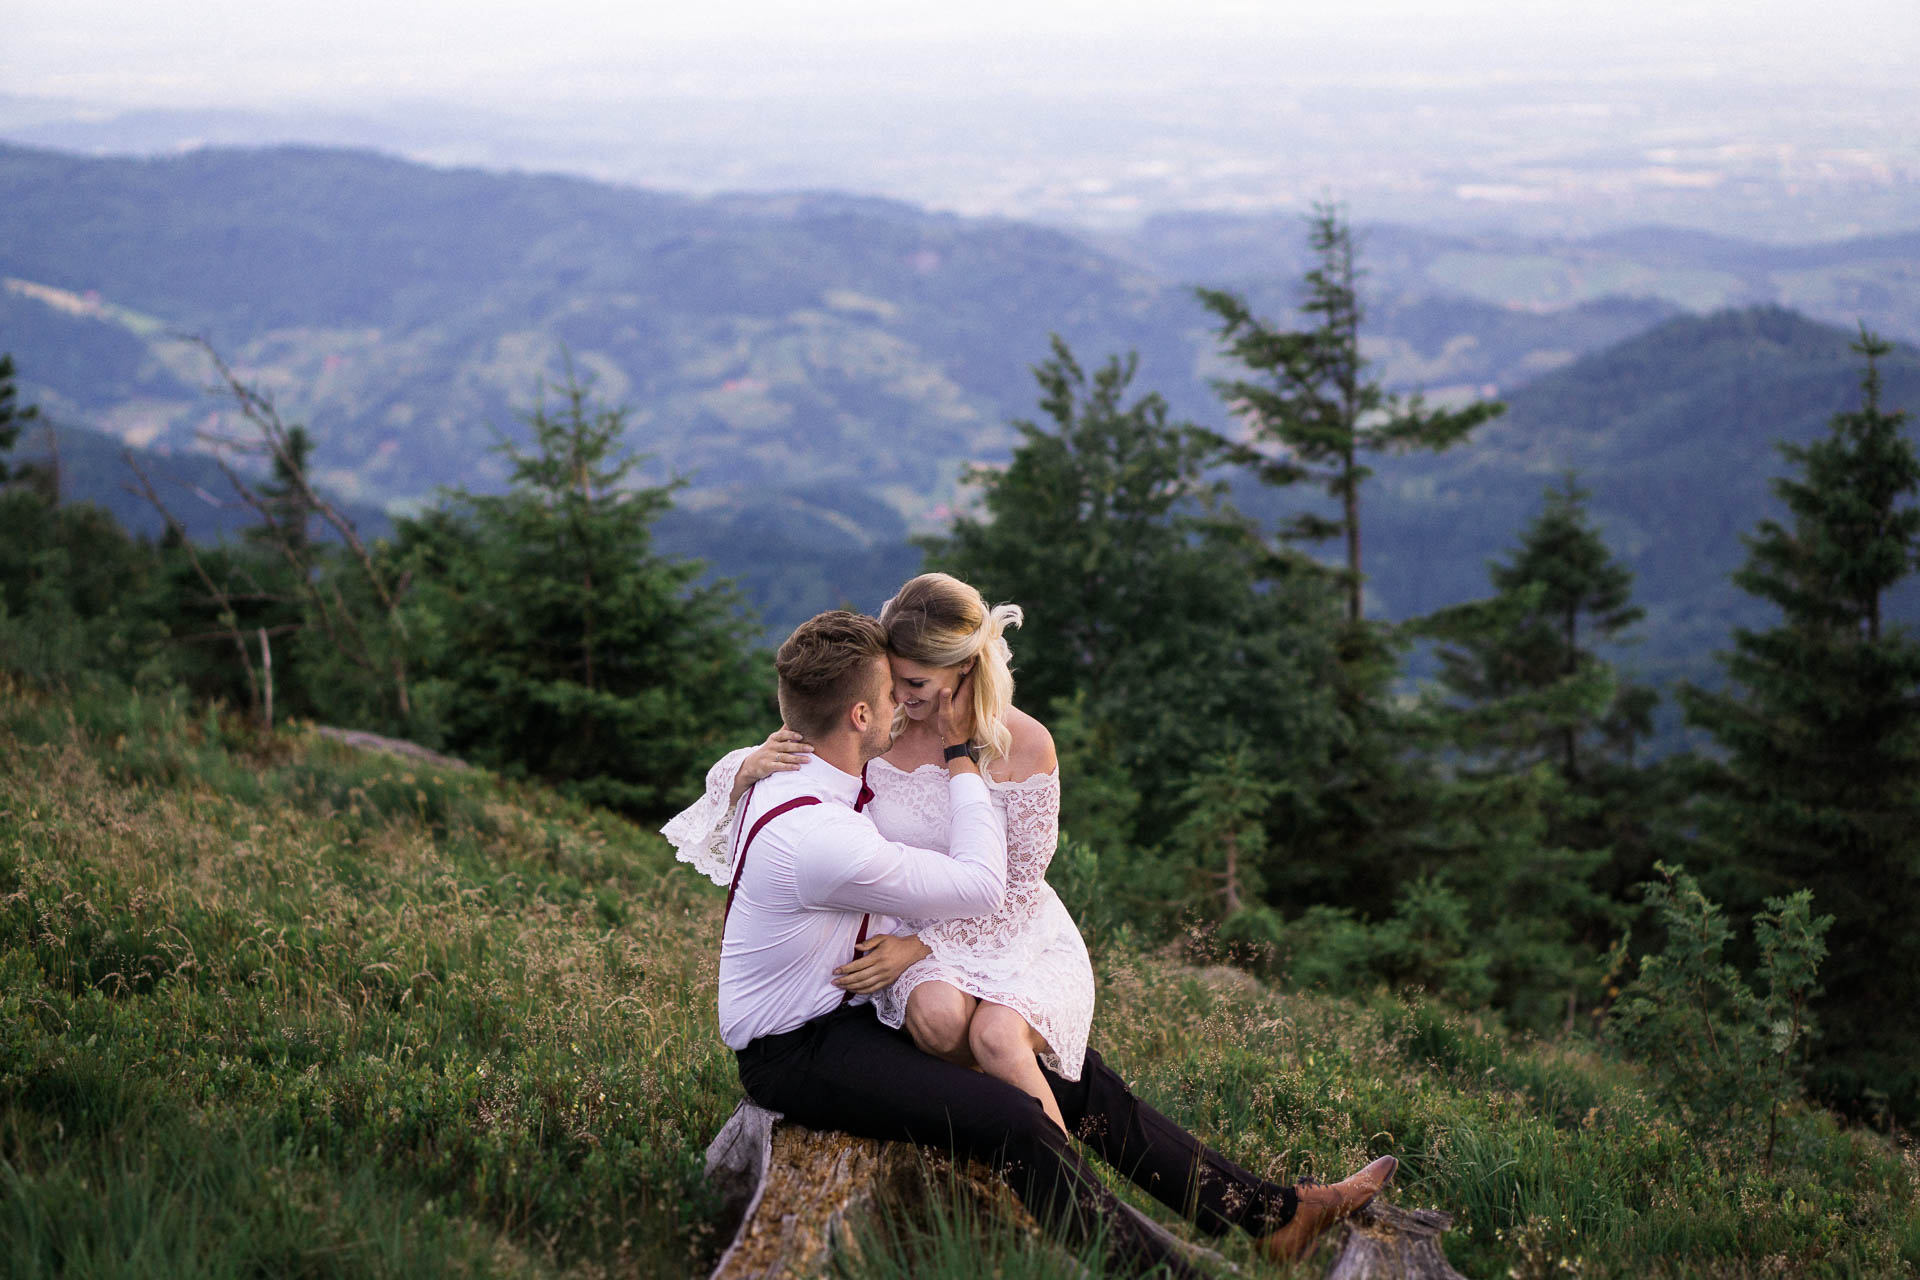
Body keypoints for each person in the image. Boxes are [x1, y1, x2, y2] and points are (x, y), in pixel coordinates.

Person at [675, 609, 1394, 1277]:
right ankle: (1159, 1270)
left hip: (845, 1010)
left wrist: (740, 764)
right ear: (860, 715)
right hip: (798, 1051)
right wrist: (960, 756)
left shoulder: (797, 765)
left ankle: (1272, 1216)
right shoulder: (823, 837)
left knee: (1070, 1081)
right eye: (892, 696)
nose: (903, 707)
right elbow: (981, 885)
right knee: (1012, 1119)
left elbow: (994, 891)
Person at [668, 572, 1088, 1132]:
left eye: (914, 684)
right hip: (903, 921)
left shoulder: (1025, 742)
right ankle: (994, 1131)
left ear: (964, 666)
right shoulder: (881, 722)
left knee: (997, 1037)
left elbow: (1013, 891)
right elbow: (817, 736)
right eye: (893, 683)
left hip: (1005, 928)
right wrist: (748, 764)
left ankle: (1049, 1165)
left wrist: (918, 946)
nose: (900, 699)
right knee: (938, 1017)